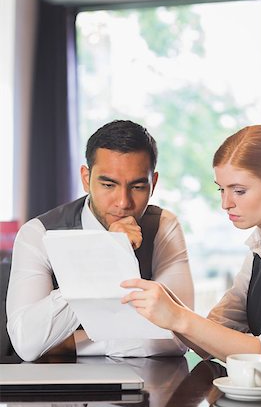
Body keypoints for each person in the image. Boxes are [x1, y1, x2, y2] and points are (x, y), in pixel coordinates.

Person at [121, 125, 261, 407]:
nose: (226, 204)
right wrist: (164, 307)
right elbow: (212, 338)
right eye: (221, 189)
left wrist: (177, 316)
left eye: (239, 191)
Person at [6, 119, 194, 362]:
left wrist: (71, 343)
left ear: (153, 183)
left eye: (137, 187)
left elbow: (180, 337)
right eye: (108, 184)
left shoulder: (163, 227)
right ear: (86, 178)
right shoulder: (37, 233)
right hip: (60, 389)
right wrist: (107, 254)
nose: (123, 202)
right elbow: (26, 343)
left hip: (149, 386)